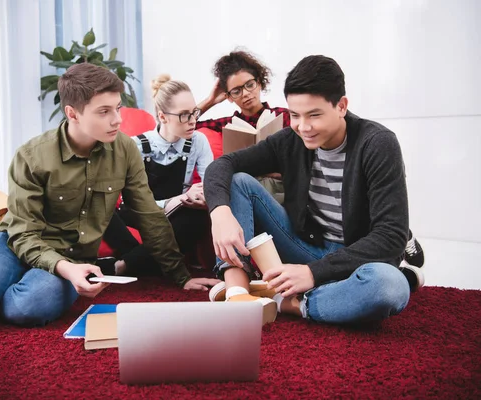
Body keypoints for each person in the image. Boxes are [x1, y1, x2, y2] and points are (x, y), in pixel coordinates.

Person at [0, 63, 217, 330]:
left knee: (29, 309)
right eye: (104, 111)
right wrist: (64, 269)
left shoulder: (124, 151)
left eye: (117, 108)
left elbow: (148, 215)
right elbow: (23, 234)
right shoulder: (32, 155)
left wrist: (181, 276)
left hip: (71, 253)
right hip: (13, 243)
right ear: (73, 114)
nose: (118, 120)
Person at [204, 55, 424, 325]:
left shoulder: (378, 143)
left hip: (357, 259)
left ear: (341, 106)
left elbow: (390, 237)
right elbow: (224, 165)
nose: (303, 127)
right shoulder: (291, 139)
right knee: (239, 182)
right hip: (306, 247)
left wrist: (312, 273)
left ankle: (289, 303)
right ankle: (238, 292)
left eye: (314, 115)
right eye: (295, 115)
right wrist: (220, 213)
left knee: (388, 286)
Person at [101, 75, 215, 277]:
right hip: (137, 212)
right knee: (103, 210)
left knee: (196, 220)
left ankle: (123, 266)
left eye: (194, 113)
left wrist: (202, 196)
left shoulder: (198, 141)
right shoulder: (135, 145)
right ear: (163, 117)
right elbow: (127, 200)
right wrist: (173, 200)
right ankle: (146, 262)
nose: (193, 121)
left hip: (175, 215)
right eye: (184, 115)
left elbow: (211, 185)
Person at [196, 49, 289, 204]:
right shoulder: (229, 124)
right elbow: (184, 125)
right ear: (229, 97)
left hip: (280, 189)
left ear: (259, 82)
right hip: (244, 190)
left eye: (249, 85)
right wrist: (210, 101)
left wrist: (281, 173)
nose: (245, 93)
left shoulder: (284, 116)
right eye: (236, 91)